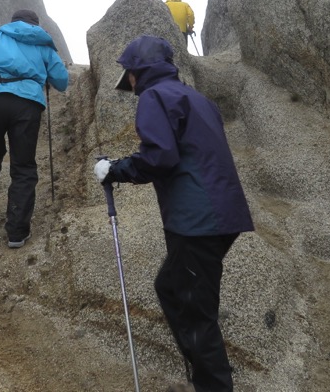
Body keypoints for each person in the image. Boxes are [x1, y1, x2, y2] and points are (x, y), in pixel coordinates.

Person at [93, 35, 253, 392]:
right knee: (170, 287)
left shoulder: (155, 97)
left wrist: (114, 169)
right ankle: (203, 370)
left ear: (136, 72)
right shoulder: (197, 99)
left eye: (129, 74)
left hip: (195, 220)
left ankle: (211, 381)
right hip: (223, 214)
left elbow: (160, 157)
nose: (129, 82)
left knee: (196, 314)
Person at [0, 9, 68, 248]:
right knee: (23, 166)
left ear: (13, 22)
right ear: (36, 25)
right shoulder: (44, 43)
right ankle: (17, 233)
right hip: (27, 105)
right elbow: (61, 81)